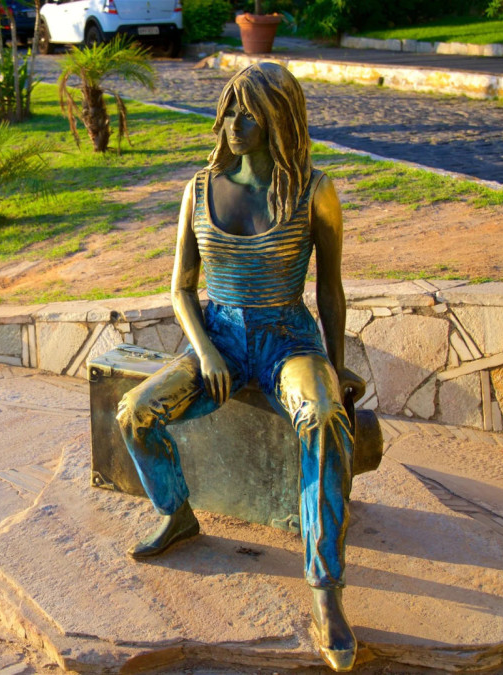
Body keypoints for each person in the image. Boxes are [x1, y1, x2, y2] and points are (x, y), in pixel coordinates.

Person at [115, 62, 364, 673]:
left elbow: (330, 291)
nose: (233, 123)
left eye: (249, 112)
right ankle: (175, 513)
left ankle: (324, 588)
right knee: (135, 414)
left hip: (286, 336)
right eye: (228, 110)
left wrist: (336, 365)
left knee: (325, 418)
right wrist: (203, 350)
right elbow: (181, 289)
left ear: (280, 118)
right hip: (218, 338)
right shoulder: (198, 189)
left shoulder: (313, 190)